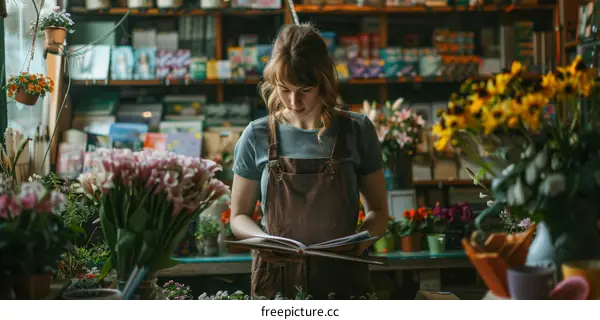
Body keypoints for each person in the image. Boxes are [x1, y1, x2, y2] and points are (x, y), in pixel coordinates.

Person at [229, 23, 389, 300]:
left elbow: (378, 211)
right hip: (276, 279)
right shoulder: (255, 135)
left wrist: (361, 242)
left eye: (304, 89)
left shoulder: (357, 130)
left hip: (341, 277)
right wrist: (260, 240)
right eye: (284, 88)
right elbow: (239, 216)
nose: (293, 100)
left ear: (324, 81)